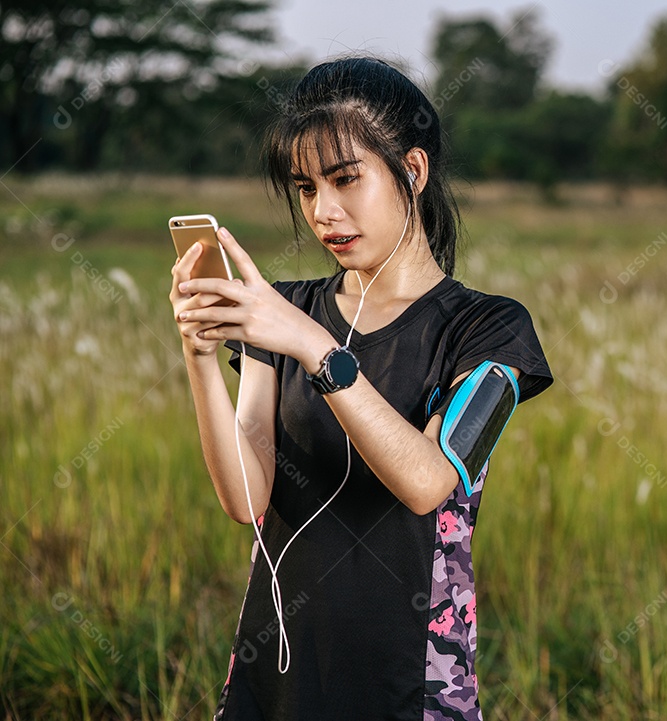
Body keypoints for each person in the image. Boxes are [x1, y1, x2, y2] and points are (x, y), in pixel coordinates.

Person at [168, 57, 553, 720]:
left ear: (413, 170)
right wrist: (199, 354)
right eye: (306, 187)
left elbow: (428, 482)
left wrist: (317, 349)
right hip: (280, 663)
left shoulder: (489, 329)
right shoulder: (286, 310)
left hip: (412, 677)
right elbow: (245, 499)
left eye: (346, 179)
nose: (324, 211)